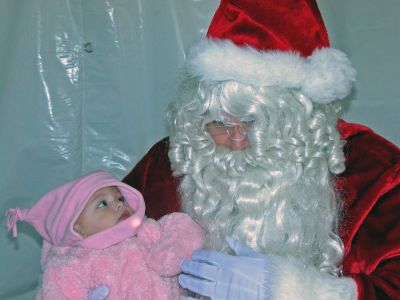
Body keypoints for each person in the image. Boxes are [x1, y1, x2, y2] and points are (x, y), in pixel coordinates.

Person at [123, 0, 400, 299]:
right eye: (219, 123)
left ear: (298, 117)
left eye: (255, 123)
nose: (238, 141)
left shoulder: (376, 173)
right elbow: (94, 231)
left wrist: (308, 292)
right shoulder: (169, 164)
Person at [6, 171, 204, 300]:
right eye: (103, 204)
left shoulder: (146, 230)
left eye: (119, 198)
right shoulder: (70, 265)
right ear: (77, 226)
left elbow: (183, 226)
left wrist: (172, 251)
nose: (119, 204)